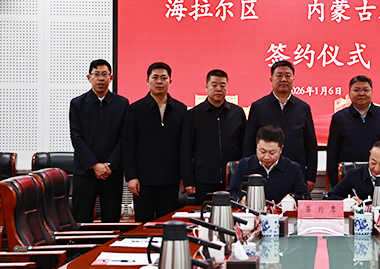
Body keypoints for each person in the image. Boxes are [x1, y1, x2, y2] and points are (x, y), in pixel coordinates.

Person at [123, 62, 186, 223]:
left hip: (171, 180)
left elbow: (184, 147)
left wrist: (184, 176)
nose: (159, 81)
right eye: (155, 77)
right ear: (147, 81)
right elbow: (128, 146)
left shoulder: (181, 110)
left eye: (163, 78)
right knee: (144, 224)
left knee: (168, 225)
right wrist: (132, 177)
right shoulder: (134, 109)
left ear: (170, 81)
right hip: (144, 181)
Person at [69, 59, 129, 223]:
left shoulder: (122, 104)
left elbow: (124, 138)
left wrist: (109, 165)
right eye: (96, 74)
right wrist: (94, 165)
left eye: (104, 74)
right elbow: (76, 137)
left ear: (111, 77)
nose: (101, 78)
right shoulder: (77, 104)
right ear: (89, 77)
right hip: (85, 171)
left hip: (112, 172)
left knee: (111, 220)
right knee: (82, 219)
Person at [243, 61, 318, 192]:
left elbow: (310, 145)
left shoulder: (303, 108)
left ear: (293, 79)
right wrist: (248, 173)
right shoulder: (258, 107)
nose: (284, 79)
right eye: (279, 75)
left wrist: (311, 176)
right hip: (264, 173)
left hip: (296, 174)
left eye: (288, 75)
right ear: (271, 79)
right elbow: (248, 143)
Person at [180, 69, 246, 205]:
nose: (218, 89)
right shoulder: (193, 115)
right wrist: (188, 180)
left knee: (234, 215)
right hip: (203, 180)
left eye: (222, 85)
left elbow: (244, 146)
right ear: (206, 87)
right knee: (205, 215)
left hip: (232, 180)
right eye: (214, 85)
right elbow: (186, 150)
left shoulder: (237, 113)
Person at [326, 75, 380, 188]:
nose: (361, 93)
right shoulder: (339, 118)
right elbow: (333, 154)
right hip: (348, 178)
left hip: (379, 178)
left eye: (365, 90)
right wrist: (336, 184)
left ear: (372, 92)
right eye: (356, 90)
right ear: (349, 93)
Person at [228, 126, 307, 204]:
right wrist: (240, 200)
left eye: (272, 153)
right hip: (251, 211)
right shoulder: (244, 165)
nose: (266, 157)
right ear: (256, 147)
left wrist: (292, 198)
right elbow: (231, 192)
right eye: (262, 151)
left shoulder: (293, 168)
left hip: (281, 211)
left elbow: (304, 196)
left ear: (281, 149)